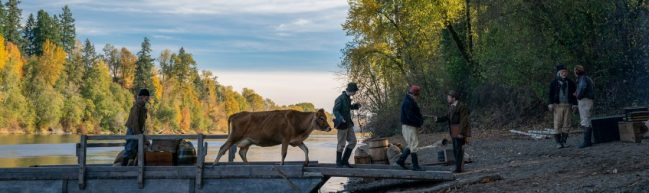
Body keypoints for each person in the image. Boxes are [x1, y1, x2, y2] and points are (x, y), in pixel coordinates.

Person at [434, 90, 471, 173]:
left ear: (454, 98)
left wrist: (461, 133)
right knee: (455, 149)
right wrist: (438, 119)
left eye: (449, 97)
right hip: (453, 130)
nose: (447, 99)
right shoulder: (451, 106)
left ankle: (459, 168)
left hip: (459, 130)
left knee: (458, 150)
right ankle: (458, 167)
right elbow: (447, 117)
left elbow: (464, 120)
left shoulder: (461, 106)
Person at [548, 64, 578, 148]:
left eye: (565, 72)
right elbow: (550, 94)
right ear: (559, 73)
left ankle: (563, 141)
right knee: (557, 124)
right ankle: (558, 143)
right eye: (562, 72)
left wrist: (575, 104)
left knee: (567, 124)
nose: (564, 73)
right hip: (557, 106)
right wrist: (550, 103)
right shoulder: (554, 82)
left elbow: (574, 95)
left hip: (568, 105)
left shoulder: (571, 83)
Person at [396, 85, 424, 171]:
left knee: (411, 145)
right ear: (413, 94)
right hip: (409, 126)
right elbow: (410, 116)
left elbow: (413, 114)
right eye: (417, 95)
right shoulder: (408, 102)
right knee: (414, 145)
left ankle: (401, 161)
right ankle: (415, 166)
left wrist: (420, 120)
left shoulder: (410, 100)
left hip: (410, 126)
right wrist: (419, 122)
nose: (417, 97)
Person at [333, 83, 361, 168]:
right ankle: (338, 163)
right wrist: (341, 118)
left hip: (349, 124)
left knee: (353, 141)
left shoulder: (348, 98)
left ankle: (344, 161)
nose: (355, 93)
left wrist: (354, 106)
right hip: (342, 124)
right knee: (341, 144)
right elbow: (335, 110)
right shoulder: (340, 98)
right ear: (351, 91)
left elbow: (348, 107)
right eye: (355, 91)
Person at [121, 89, 150, 166]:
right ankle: (122, 169)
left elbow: (142, 123)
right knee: (129, 149)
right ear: (143, 97)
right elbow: (135, 122)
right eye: (147, 97)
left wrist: (142, 135)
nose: (148, 99)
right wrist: (139, 134)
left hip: (138, 131)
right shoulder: (137, 107)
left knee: (137, 149)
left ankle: (133, 167)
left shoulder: (142, 107)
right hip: (133, 130)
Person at [574, 65, 595, 148]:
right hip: (588, 100)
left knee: (585, 120)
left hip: (585, 100)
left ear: (576, 71)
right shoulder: (587, 78)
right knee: (587, 119)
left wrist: (578, 95)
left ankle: (587, 141)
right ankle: (588, 141)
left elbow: (583, 88)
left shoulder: (583, 78)